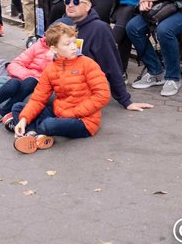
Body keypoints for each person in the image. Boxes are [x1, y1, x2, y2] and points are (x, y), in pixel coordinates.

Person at [12, 23, 111, 154]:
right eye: (67, 44)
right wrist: (24, 120)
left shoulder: (88, 64)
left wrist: (73, 113)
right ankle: (34, 135)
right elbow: (38, 99)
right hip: (60, 113)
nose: (74, 47)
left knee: (49, 124)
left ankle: (35, 132)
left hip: (84, 121)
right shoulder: (50, 69)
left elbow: (102, 95)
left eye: (74, 42)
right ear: (54, 49)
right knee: (18, 108)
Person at [57, 0, 152, 112]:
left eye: (75, 1)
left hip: (80, 91)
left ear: (87, 6)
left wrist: (125, 100)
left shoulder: (99, 29)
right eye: (67, 1)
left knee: (49, 122)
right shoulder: (61, 25)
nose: (70, 5)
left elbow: (111, 64)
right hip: (56, 83)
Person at [0, 33, 52, 125]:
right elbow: (15, 64)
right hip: (21, 79)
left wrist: (35, 77)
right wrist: (28, 75)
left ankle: (0, 111)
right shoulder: (38, 46)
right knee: (3, 82)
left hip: (38, 89)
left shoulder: (63, 55)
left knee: (30, 84)